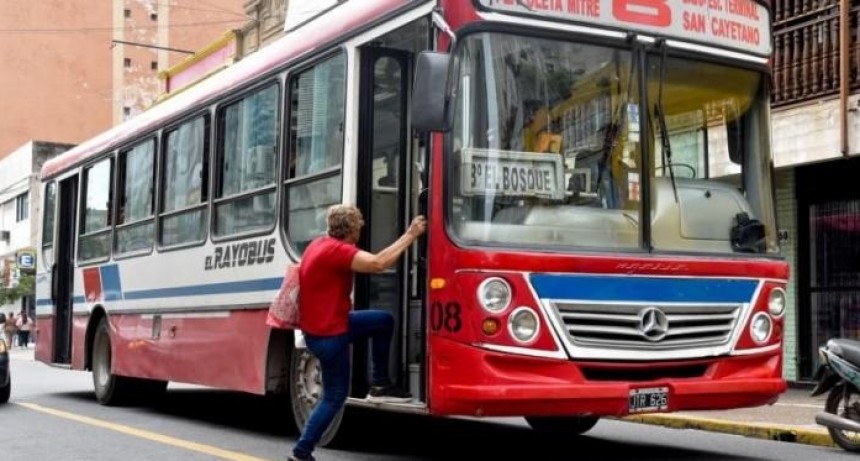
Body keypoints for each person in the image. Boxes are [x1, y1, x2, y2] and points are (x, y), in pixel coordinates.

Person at [288, 204, 427, 461]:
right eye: (359, 226)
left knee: (382, 321)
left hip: (324, 327)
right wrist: (411, 234)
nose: (361, 230)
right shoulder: (337, 251)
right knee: (334, 396)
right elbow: (378, 263)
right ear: (351, 229)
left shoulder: (318, 245)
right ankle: (301, 450)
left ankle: (380, 384)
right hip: (330, 335)